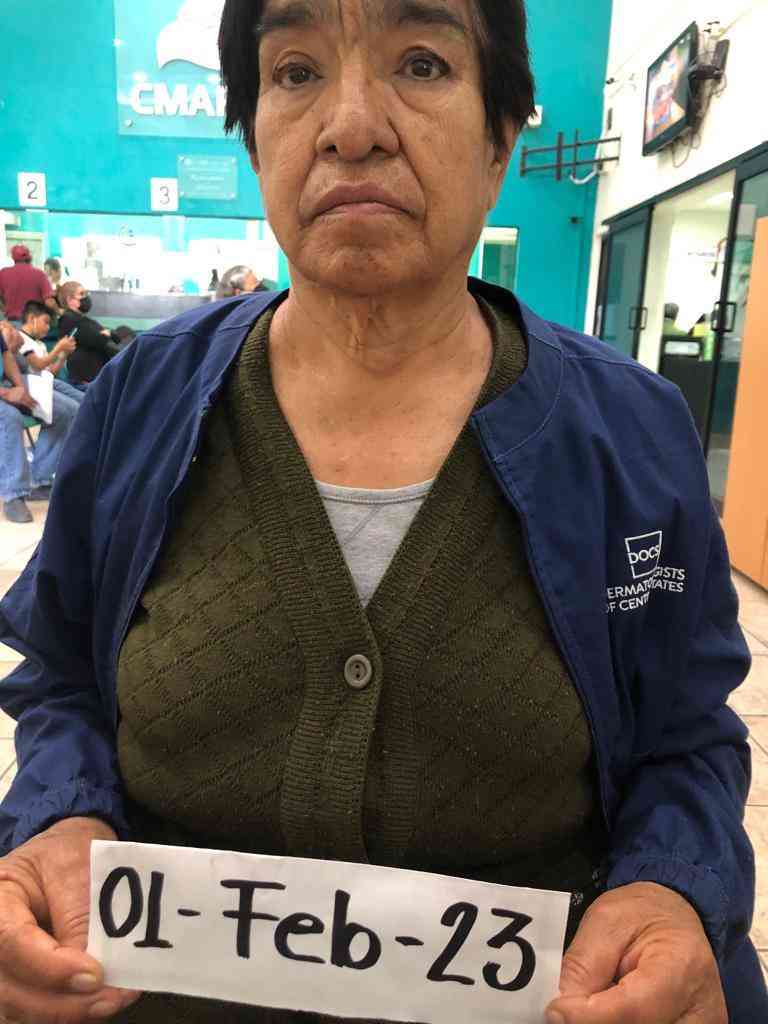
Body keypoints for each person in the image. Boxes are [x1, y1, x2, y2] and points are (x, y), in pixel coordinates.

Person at [0, 2, 764, 1023]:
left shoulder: (630, 433)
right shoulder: (143, 403)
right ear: (254, 137)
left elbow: (684, 735)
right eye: (296, 71)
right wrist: (60, 818)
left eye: (421, 63)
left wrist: (670, 885)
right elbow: (61, 678)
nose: (352, 126)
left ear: (500, 139)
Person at [0, 321, 79, 523]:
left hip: (6, 382)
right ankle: (13, 493)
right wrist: (7, 393)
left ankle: (40, 480)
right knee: (9, 416)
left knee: (65, 411)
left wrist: (19, 387)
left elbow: (6, 355)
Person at [18, 300, 84, 405]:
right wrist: (58, 348)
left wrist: (63, 355)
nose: (48, 327)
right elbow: (38, 365)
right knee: (75, 406)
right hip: (35, 386)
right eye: (46, 322)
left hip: (50, 382)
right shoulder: (20, 339)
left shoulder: (40, 344)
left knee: (83, 399)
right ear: (31, 318)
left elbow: (51, 373)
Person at [57, 281, 121, 386]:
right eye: (81, 294)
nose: (86, 297)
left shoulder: (87, 321)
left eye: (86, 293)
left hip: (100, 378)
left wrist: (107, 334)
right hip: (86, 381)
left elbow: (116, 337)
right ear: (70, 300)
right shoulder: (67, 319)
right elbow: (97, 339)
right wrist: (105, 334)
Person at [0, 245, 59, 322]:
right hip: (34, 323)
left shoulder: (3, 273)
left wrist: (6, 309)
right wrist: (60, 312)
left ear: (13, 258)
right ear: (30, 257)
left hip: (11, 323)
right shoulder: (39, 274)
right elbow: (49, 302)